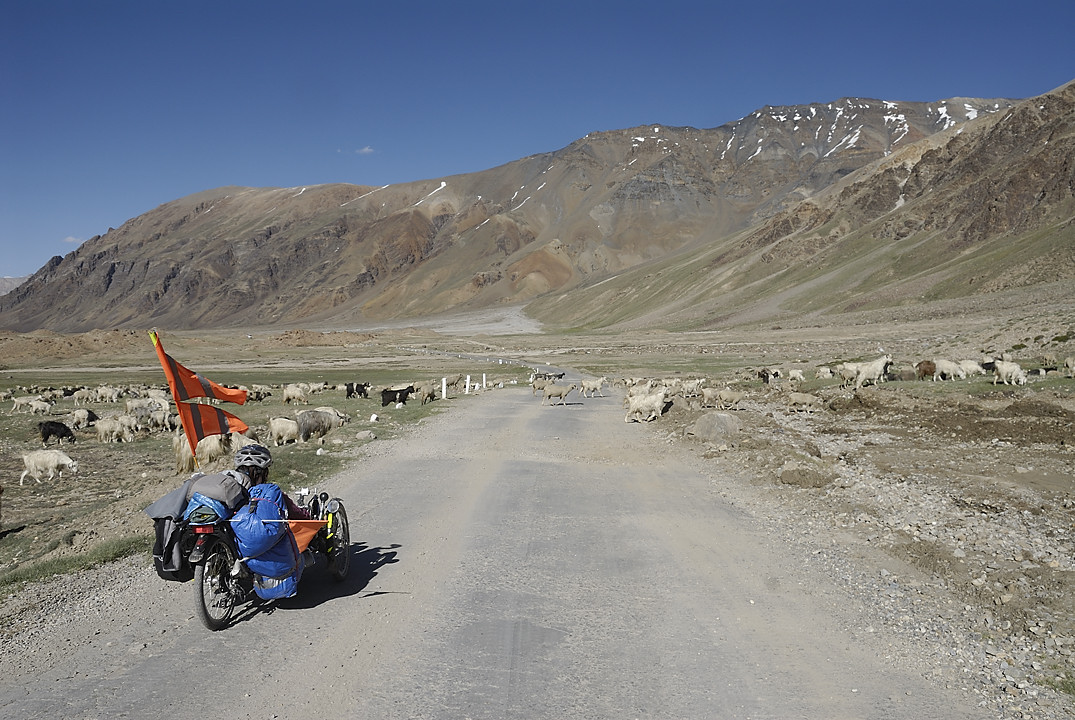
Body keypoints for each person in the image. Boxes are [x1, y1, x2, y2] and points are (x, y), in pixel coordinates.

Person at [233, 443, 310, 520]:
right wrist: (305, 513)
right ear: (264, 473)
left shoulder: (231, 492)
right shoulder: (271, 492)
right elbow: (299, 516)